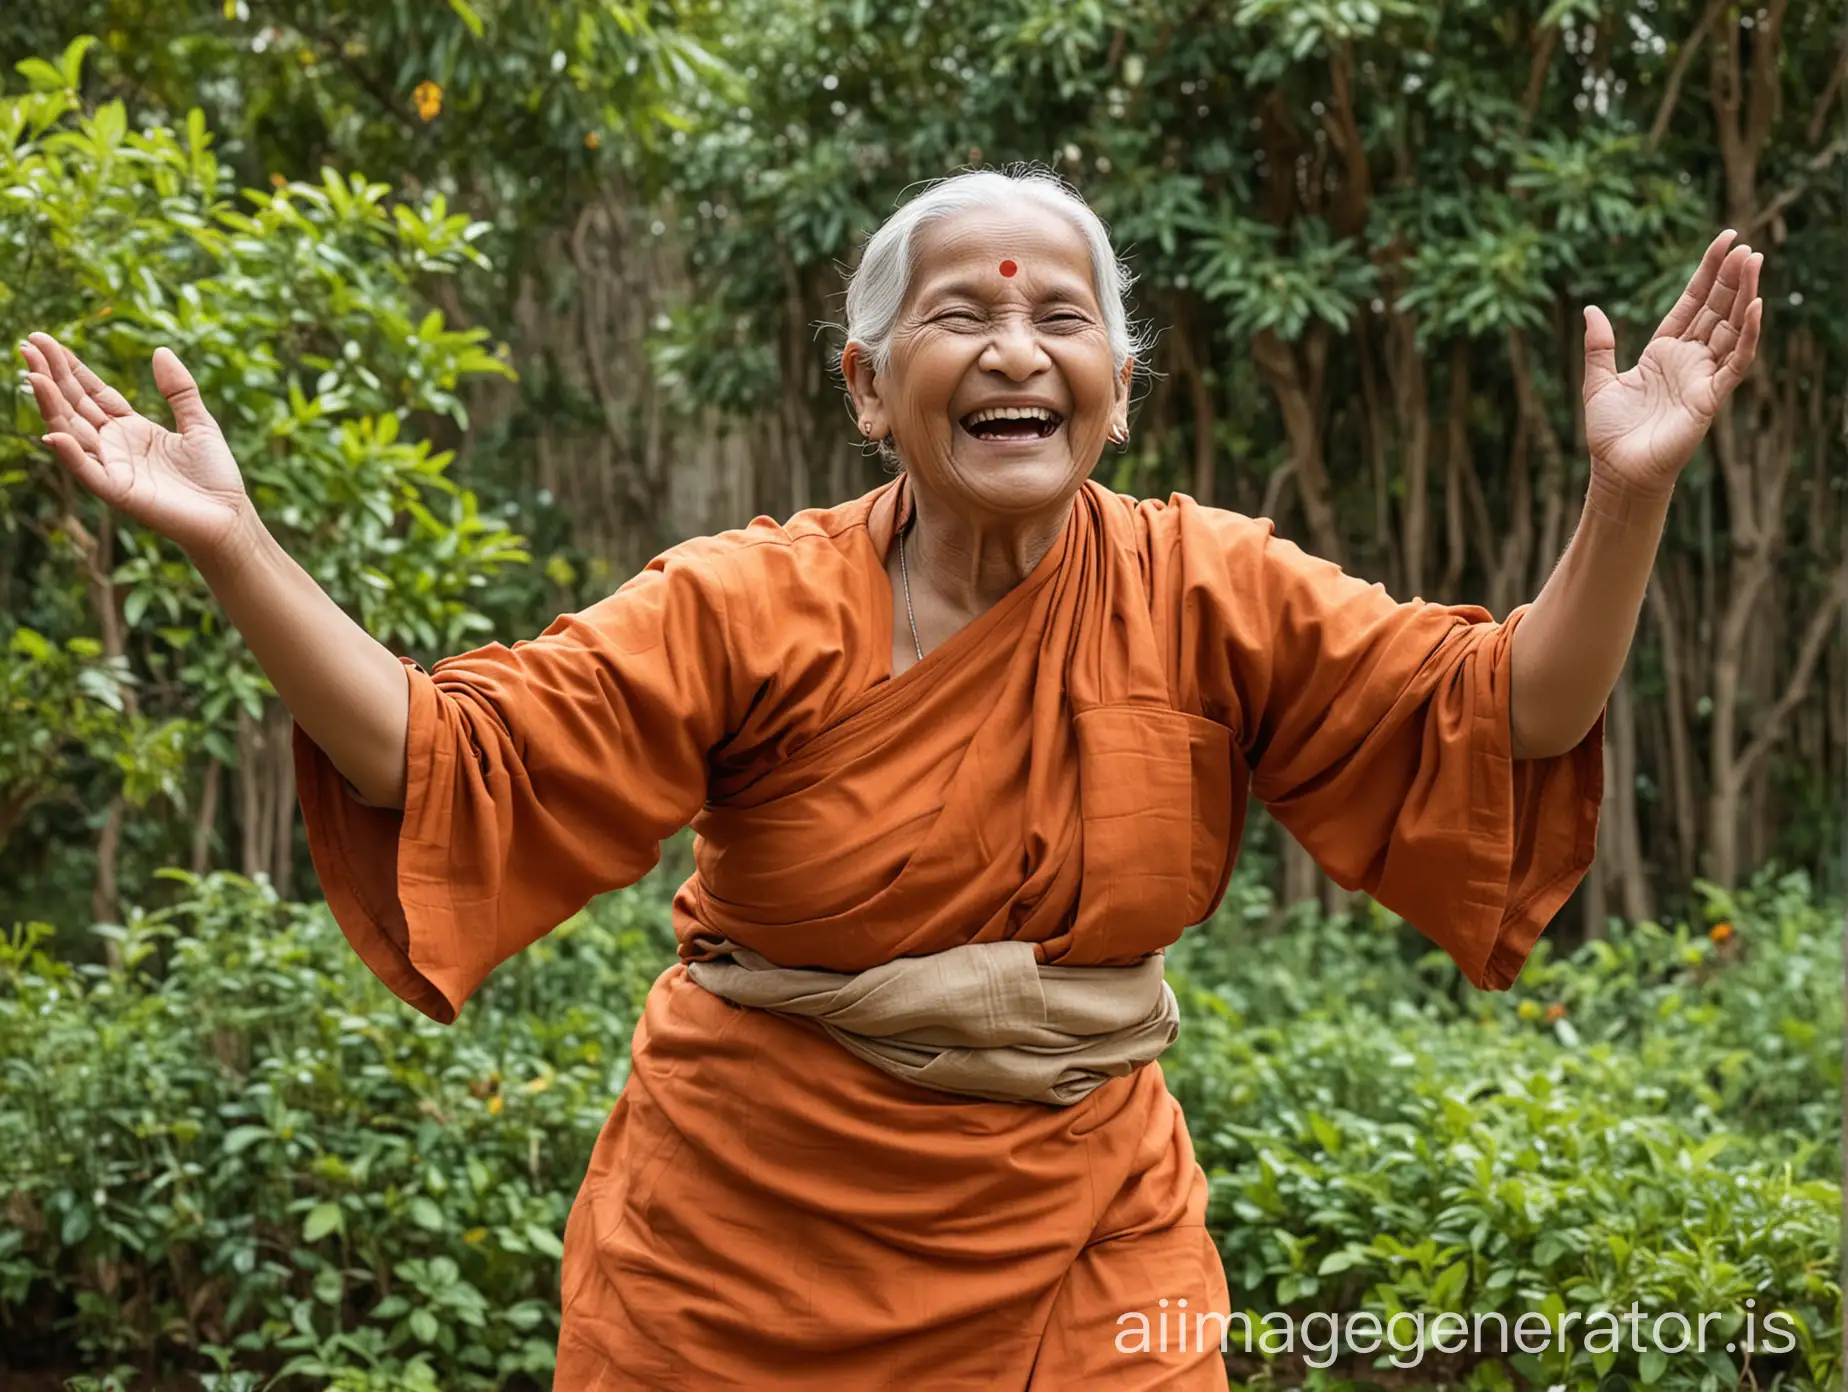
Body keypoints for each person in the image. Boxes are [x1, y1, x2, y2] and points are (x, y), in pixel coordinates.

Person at [22, 166, 1762, 1389]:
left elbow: (1507, 715)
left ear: (1119, 390)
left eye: (1064, 319)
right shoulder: (745, 600)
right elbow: (437, 753)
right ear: (869, 387)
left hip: (1091, 1230)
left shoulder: (1214, 588)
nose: (1018, 347)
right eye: (959, 318)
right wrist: (236, 544)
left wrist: (1628, 495)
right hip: (743, 1253)